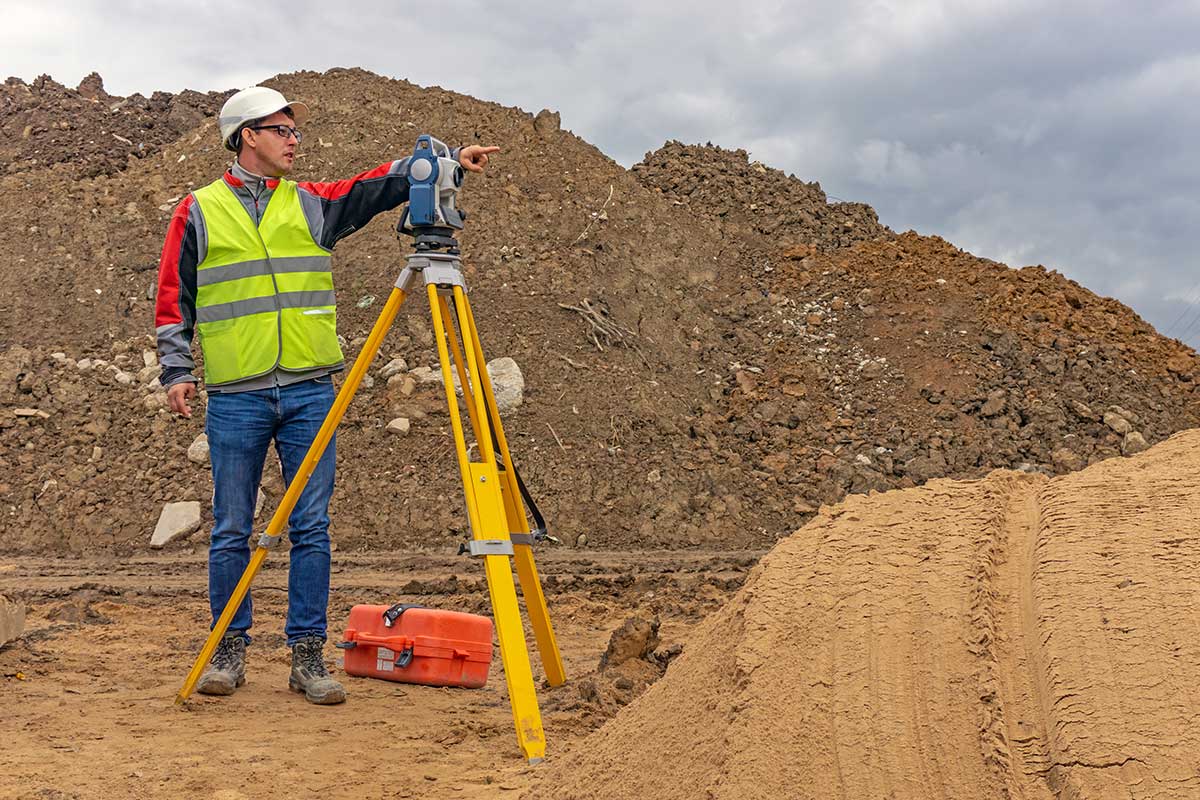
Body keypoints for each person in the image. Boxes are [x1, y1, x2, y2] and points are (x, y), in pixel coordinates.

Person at [155, 85, 498, 704]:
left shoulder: (310, 203)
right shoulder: (198, 210)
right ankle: (229, 649)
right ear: (247, 137)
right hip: (237, 394)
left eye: (294, 130)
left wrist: (437, 167)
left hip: (312, 388)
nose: (294, 140)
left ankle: (307, 656)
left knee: (311, 525)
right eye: (281, 130)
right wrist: (176, 370)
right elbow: (173, 296)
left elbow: (369, 188)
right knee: (233, 527)